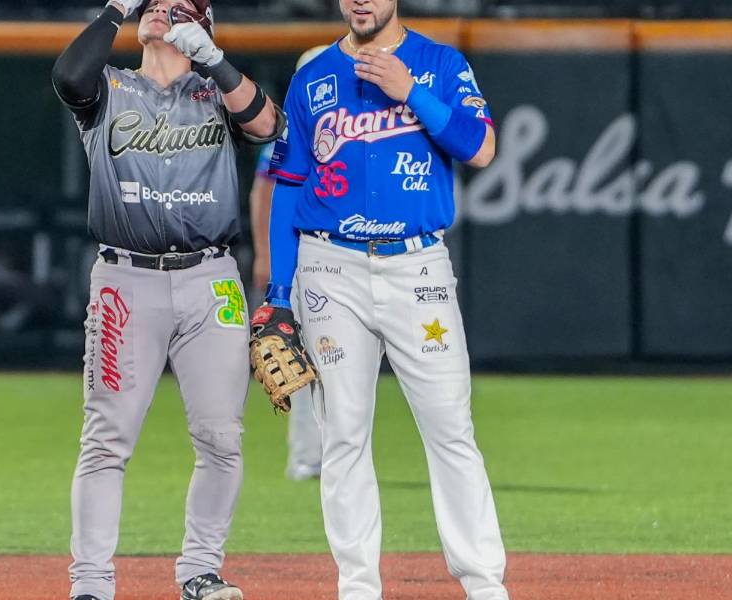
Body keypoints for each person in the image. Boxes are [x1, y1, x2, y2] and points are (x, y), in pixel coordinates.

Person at [259, 0, 508, 598]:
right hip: (330, 267)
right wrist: (278, 294)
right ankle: (358, 586)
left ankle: (483, 584)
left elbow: (481, 148)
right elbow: (288, 186)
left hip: (417, 265)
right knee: (343, 434)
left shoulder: (439, 63)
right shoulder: (314, 77)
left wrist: (412, 92)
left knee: (450, 427)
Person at [50, 0, 283, 598]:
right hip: (126, 281)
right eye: (151, 4)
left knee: (222, 438)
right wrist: (114, 10)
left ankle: (200, 571)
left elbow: (268, 125)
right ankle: (91, 584)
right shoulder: (109, 87)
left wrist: (217, 62)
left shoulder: (216, 92)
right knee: (106, 440)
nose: (159, 10)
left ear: (203, 27)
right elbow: (68, 76)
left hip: (212, 279)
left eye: (178, 6)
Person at [246, 45, 328, 482]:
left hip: (336, 254)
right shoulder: (290, 128)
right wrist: (266, 254)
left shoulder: (354, 122)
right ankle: (306, 455)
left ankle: (336, 452)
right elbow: (264, 191)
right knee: (297, 358)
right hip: (297, 255)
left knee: (335, 359)